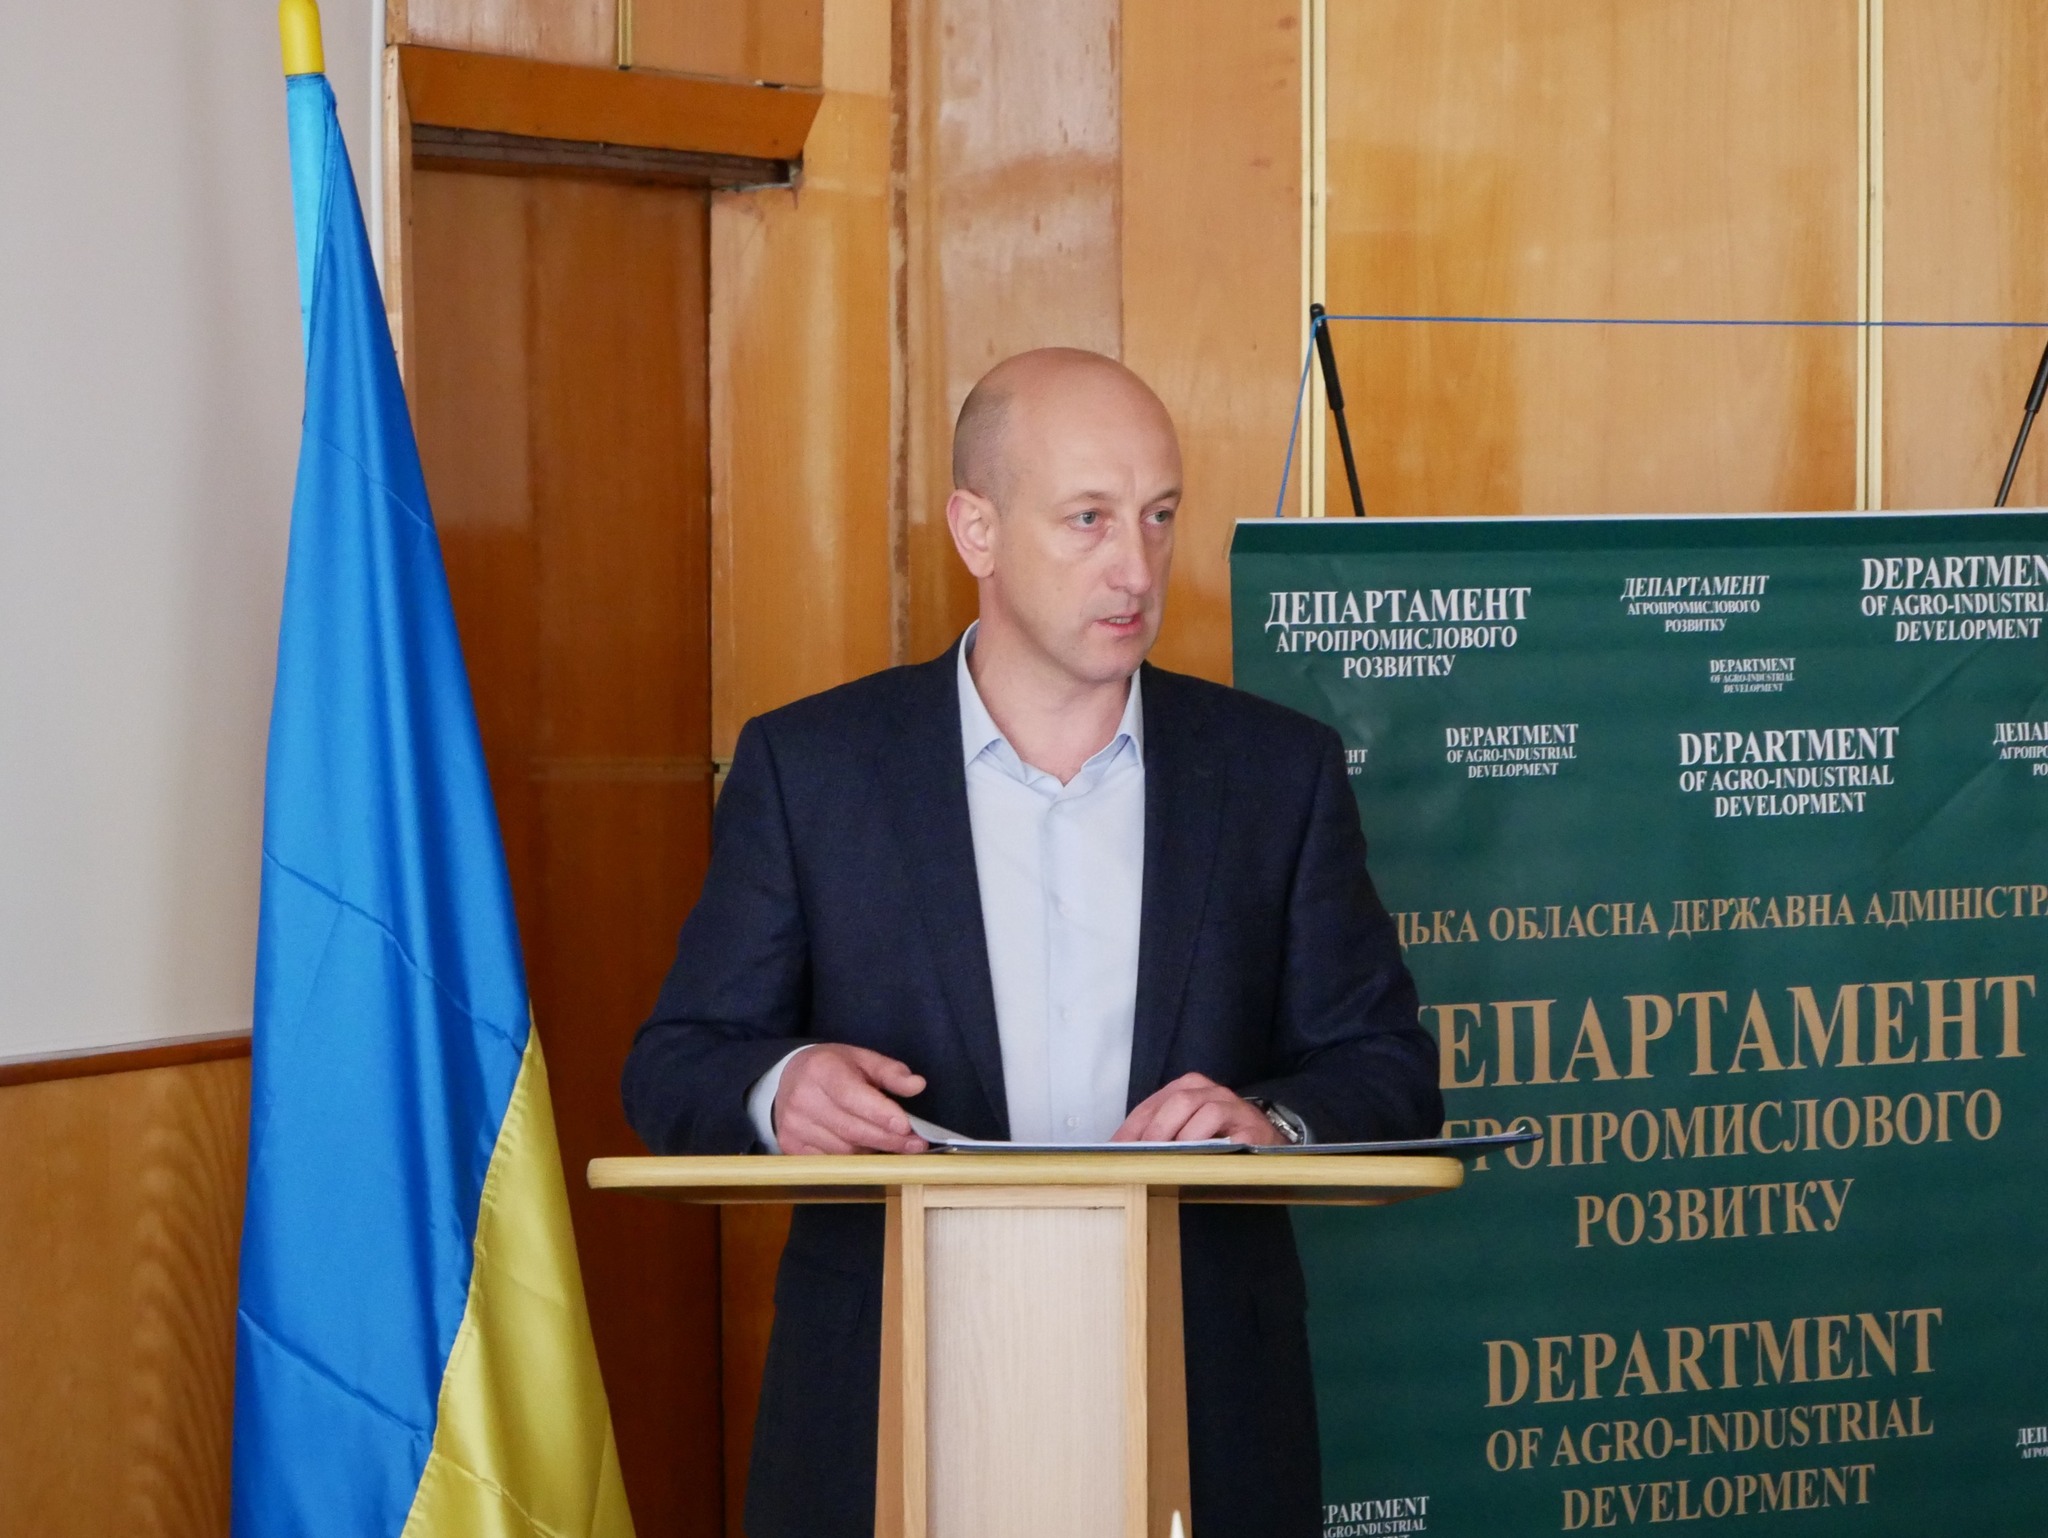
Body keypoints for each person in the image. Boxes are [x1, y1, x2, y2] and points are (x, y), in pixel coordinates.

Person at [621, 347, 1440, 1538]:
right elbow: (674, 1064)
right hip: (887, 1394)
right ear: (977, 529)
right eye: (1087, 518)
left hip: (1205, 1386)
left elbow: (1385, 1066)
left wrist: (1271, 1122)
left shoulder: (1275, 771)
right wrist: (781, 1083)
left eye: (1159, 515)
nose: (1135, 567)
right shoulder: (813, 767)